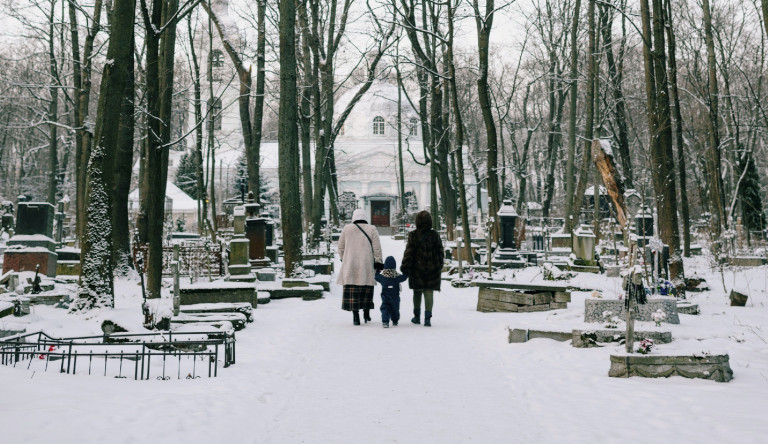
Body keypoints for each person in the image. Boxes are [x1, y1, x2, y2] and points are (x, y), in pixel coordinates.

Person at [337, 208, 383, 325]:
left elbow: (340, 247)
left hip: (351, 264)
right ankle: (366, 313)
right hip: (366, 264)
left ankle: (355, 316)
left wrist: (344, 258)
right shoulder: (372, 229)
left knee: (353, 291)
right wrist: (378, 262)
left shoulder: (347, 229)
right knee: (366, 289)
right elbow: (377, 248)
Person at [400, 210, 444, 327]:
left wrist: (405, 267)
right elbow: (440, 252)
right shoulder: (435, 235)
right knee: (429, 291)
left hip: (417, 268)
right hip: (432, 269)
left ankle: (416, 316)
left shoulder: (413, 235)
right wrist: (439, 265)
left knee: (417, 292)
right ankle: (428, 318)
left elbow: (408, 253)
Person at [375, 256, 409, 328]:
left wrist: (377, 271)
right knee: (395, 308)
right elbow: (404, 277)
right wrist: (406, 272)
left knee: (385, 308)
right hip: (395, 296)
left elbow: (376, 276)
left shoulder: (382, 277)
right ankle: (395, 320)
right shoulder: (396, 277)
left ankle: (385, 321)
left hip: (385, 296)